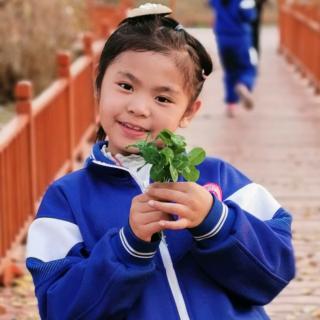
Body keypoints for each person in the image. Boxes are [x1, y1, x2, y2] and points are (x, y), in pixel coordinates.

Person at [26, 3, 295, 319]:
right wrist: (128, 246)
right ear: (98, 83)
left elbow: (274, 272)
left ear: (189, 112)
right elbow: (60, 308)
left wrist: (215, 220)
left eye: (163, 98)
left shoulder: (221, 180)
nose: (139, 107)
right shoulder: (67, 199)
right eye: (126, 86)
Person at [208, 0, 258, 117]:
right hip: (240, 40)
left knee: (230, 72)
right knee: (249, 69)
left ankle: (231, 105)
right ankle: (243, 85)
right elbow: (249, 16)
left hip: (223, 40)